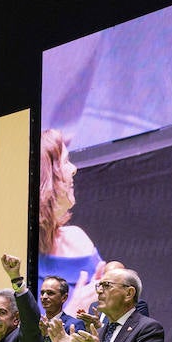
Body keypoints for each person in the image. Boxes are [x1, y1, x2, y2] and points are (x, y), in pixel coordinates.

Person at [39, 128, 103, 314]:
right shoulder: (17, 256)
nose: (73, 169)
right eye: (65, 162)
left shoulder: (79, 239)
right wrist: (73, 311)